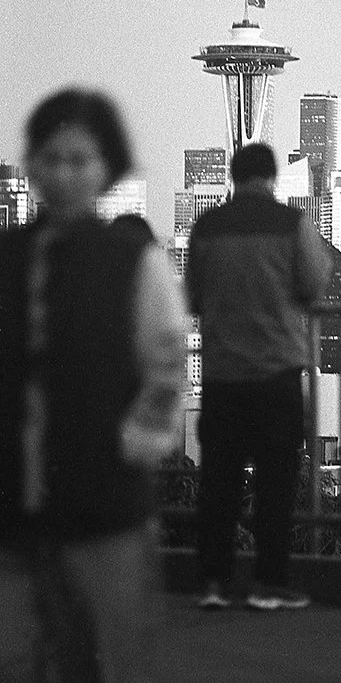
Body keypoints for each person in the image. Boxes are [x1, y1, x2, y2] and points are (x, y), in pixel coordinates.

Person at [0, 87, 186, 681]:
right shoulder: (9, 256)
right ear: (31, 164)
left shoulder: (134, 261)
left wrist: (137, 441)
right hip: (11, 504)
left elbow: (167, 362)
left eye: (80, 160)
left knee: (113, 657)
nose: (64, 174)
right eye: (51, 158)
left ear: (108, 167)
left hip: (105, 501)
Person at [186, 142, 332, 610]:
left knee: (219, 482)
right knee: (276, 482)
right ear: (272, 178)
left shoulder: (206, 227)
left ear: (233, 176)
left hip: (222, 373)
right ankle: (269, 583)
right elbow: (314, 283)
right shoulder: (293, 224)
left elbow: (193, 296)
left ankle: (213, 582)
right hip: (276, 372)